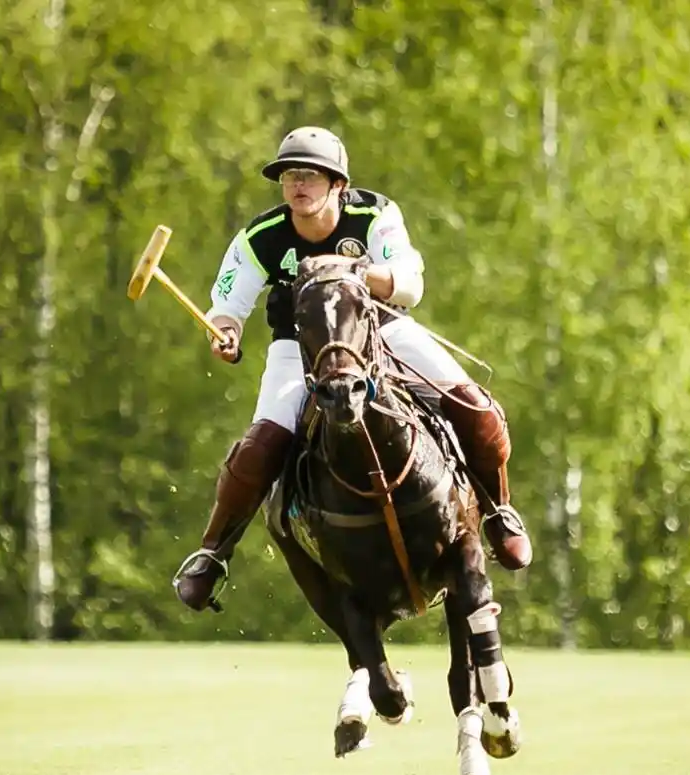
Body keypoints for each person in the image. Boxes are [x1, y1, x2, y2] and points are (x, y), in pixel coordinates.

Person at [175, 126, 531, 612]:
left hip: (378, 332)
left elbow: (408, 284)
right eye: (289, 176)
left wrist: (354, 273)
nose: (298, 185)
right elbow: (226, 304)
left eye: (311, 175)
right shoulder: (260, 236)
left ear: (338, 184)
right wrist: (226, 332)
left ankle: (498, 512)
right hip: (297, 347)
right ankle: (212, 554)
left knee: (476, 406)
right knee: (260, 445)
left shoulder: (375, 214)